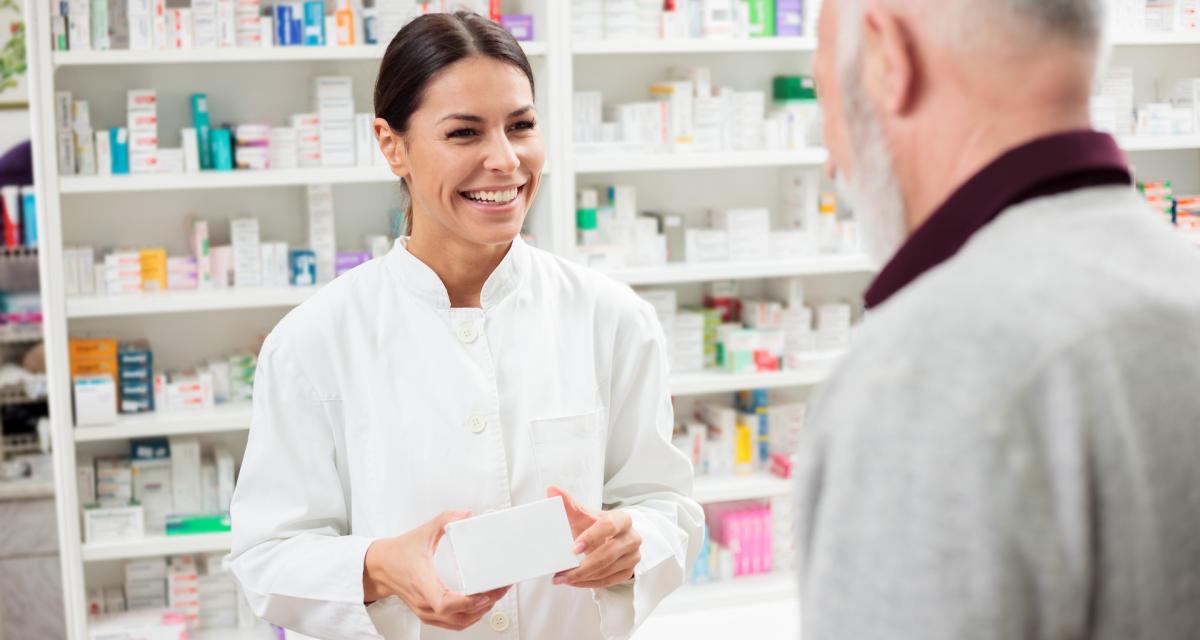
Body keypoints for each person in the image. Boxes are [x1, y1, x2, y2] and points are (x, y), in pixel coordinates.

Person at [227, 12, 703, 640]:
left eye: (522, 126)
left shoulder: (612, 319)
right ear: (391, 144)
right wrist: (376, 567)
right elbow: (265, 556)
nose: (505, 160)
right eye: (464, 133)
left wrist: (635, 539)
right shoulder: (313, 342)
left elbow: (667, 504)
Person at [796, 0, 1200, 638]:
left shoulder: (924, 373)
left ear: (888, 62)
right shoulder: (1182, 283)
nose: (831, 159)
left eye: (824, 96)